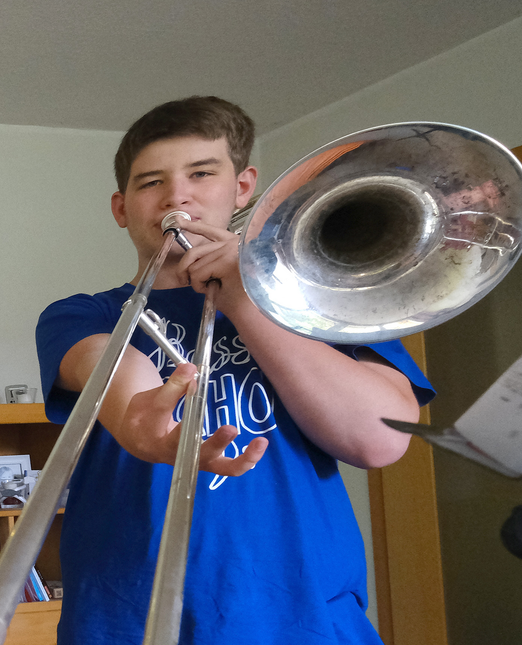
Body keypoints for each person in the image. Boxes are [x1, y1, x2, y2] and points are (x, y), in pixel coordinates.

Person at [35, 96, 434, 645]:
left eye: (201, 173)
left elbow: (380, 440)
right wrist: (136, 419)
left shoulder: (325, 305)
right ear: (122, 208)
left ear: (243, 187)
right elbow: (113, 372)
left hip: (305, 621)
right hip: (126, 621)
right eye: (150, 182)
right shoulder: (82, 314)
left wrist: (244, 301)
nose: (177, 195)